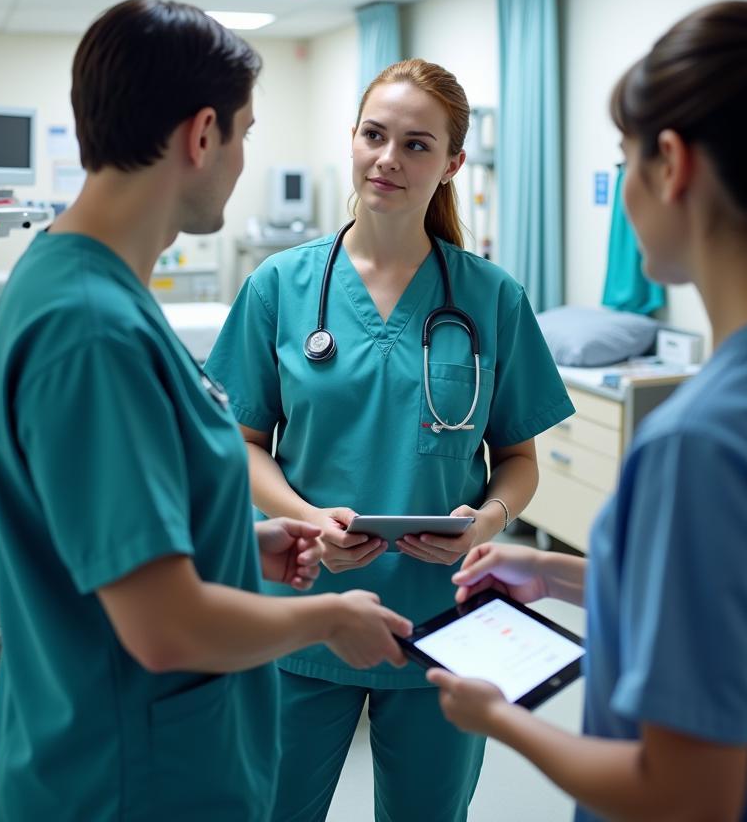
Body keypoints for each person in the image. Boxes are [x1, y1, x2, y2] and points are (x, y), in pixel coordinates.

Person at [0, 0, 413, 822]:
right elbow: (165, 629)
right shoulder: (92, 332)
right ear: (202, 134)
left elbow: (104, 530)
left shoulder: (81, 286)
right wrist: (327, 619)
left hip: (134, 756)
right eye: (245, 134)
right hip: (130, 779)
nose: (244, 158)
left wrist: (239, 540)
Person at [428, 1, 747, 822]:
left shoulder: (705, 442)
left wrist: (501, 720)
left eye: (624, 160)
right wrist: (554, 573)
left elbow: (686, 795)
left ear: (671, 163)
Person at [205, 58, 574, 821]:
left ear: (451, 165)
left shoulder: (491, 297)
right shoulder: (280, 286)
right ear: (353, 140)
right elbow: (240, 444)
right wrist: (308, 517)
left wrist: (489, 521)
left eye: (416, 145)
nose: (389, 159)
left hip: (446, 621)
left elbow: (517, 461)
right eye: (376, 135)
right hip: (304, 612)